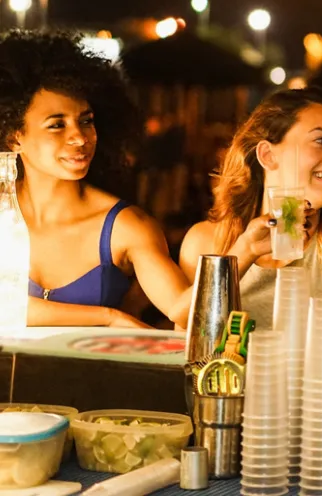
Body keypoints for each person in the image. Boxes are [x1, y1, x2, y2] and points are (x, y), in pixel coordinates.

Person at [0, 31, 193, 327]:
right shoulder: (4, 215)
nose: (79, 137)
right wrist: (107, 318)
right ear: (14, 138)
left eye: (86, 121)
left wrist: (242, 251)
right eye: (56, 125)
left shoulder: (125, 228)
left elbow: (184, 311)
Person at [179, 87, 322, 329]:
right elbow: (186, 327)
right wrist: (245, 251)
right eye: (320, 141)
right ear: (268, 155)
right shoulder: (206, 242)